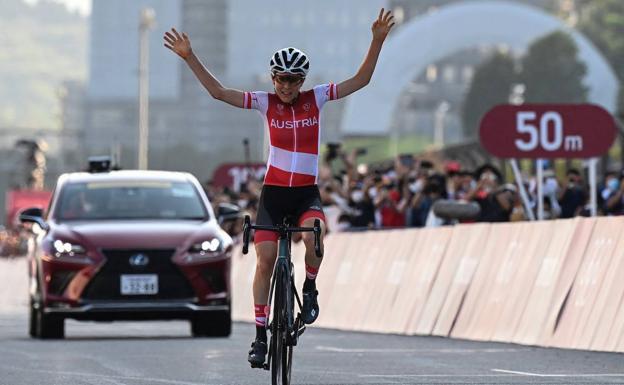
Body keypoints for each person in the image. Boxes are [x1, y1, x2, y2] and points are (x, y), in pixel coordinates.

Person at [164, 8, 395, 368]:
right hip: (273, 194)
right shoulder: (264, 101)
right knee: (265, 261)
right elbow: (218, 92)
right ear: (273, 79)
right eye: (280, 80)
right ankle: (259, 336)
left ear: (302, 81)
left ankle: (310, 286)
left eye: (293, 80)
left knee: (316, 233)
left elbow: (360, 80)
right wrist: (190, 56)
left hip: (305, 193)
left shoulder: (316, 98)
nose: (286, 87)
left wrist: (377, 41)